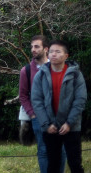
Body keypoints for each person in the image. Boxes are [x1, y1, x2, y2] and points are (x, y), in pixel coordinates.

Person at [31, 40, 87, 173]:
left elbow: (80, 100)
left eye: (58, 51)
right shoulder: (41, 74)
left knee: (75, 163)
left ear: (66, 56)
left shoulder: (76, 74)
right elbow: (37, 100)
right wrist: (46, 124)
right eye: (51, 51)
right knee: (53, 164)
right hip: (51, 127)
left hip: (71, 127)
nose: (53, 54)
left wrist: (69, 123)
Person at [20, 35, 64, 173]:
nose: (33, 49)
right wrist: (33, 114)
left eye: (36, 46)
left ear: (46, 49)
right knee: (44, 150)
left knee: (61, 149)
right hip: (39, 118)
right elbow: (23, 96)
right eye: (32, 46)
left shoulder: (59, 66)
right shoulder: (26, 71)